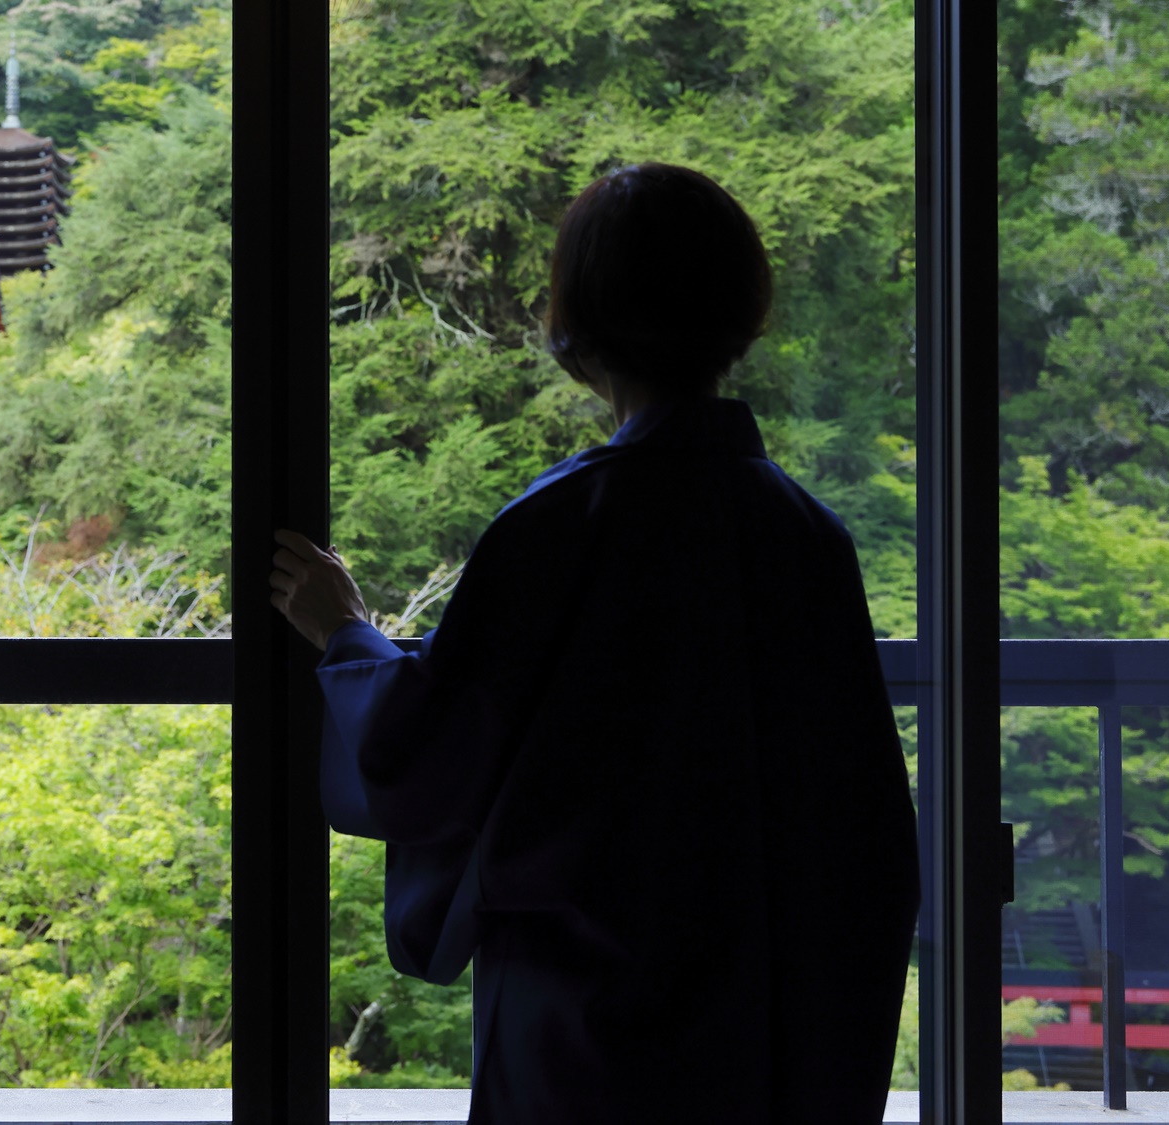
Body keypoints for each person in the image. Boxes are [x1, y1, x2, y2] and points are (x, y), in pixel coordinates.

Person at [270, 163, 919, 1123]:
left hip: (582, 1028)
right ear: (741, 311)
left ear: (580, 319)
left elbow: (430, 757)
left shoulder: (558, 526)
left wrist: (343, 633)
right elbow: (866, 833)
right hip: (769, 1030)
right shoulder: (808, 537)